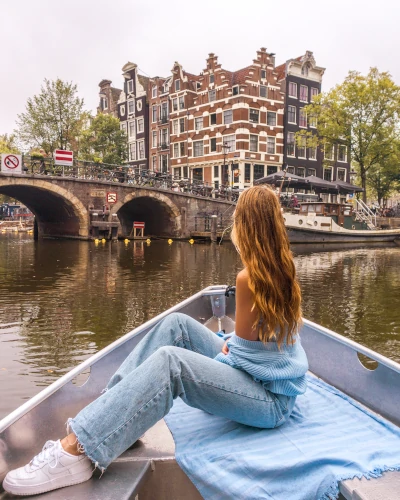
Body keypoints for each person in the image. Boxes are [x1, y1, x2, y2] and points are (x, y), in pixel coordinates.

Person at [3, 185, 308, 496]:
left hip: (268, 403)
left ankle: (78, 450)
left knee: (171, 362)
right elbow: (264, 344)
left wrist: (230, 351)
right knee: (176, 325)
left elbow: (243, 355)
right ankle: (113, 413)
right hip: (268, 382)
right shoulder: (283, 269)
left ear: (245, 224)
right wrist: (233, 346)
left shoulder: (249, 278)